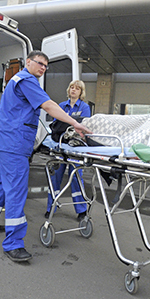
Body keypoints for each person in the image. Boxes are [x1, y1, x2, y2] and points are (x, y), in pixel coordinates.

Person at [0, 51, 92, 263]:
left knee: (3, 183)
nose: (43, 68)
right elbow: (48, 106)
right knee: (16, 191)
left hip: (5, 142)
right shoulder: (28, 81)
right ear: (28, 62)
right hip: (14, 144)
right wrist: (75, 124)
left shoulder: (16, 80)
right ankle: (13, 243)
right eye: (40, 63)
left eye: (46, 66)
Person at [45, 80, 91, 220]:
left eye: (77, 88)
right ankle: (50, 207)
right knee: (55, 177)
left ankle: (81, 211)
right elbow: (56, 125)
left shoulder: (85, 107)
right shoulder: (60, 106)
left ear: (81, 92)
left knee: (76, 178)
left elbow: (83, 125)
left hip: (75, 148)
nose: (73, 90)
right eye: (72, 87)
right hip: (60, 146)